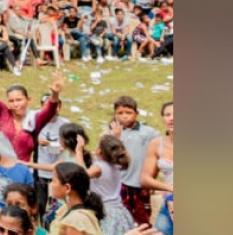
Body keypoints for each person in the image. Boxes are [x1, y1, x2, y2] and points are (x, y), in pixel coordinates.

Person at [104, 97, 158, 226]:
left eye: (128, 113)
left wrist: (151, 180)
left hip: (140, 184)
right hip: (119, 184)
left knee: (142, 219)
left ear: (136, 113)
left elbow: (156, 157)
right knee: (122, 219)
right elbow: (107, 159)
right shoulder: (110, 133)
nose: (124, 117)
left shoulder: (148, 133)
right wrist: (115, 138)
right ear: (115, 114)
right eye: (120, 113)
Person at [45, 163, 105, 235]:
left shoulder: (75, 221)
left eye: (53, 181)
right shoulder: (66, 209)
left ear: (67, 188)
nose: (51, 184)